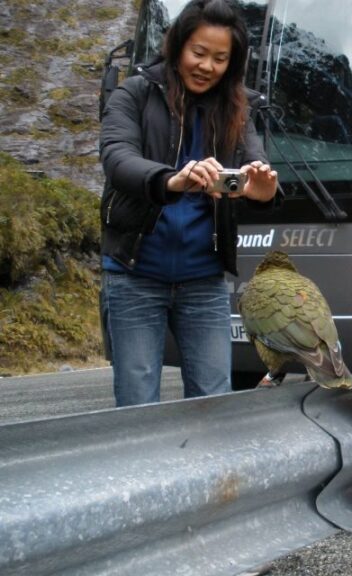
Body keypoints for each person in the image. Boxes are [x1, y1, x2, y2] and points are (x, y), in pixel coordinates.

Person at [99, 0, 277, 407]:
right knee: (138, 402)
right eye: (199, 53)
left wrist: (261, 188)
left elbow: (257, 167)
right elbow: (117, 158)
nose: (207, 66)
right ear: (178, 46)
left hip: (204, 280)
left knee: (214, 402)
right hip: (134, 273)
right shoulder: (134, 93)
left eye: (220, 58)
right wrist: (171, 179)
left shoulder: (237, 108)